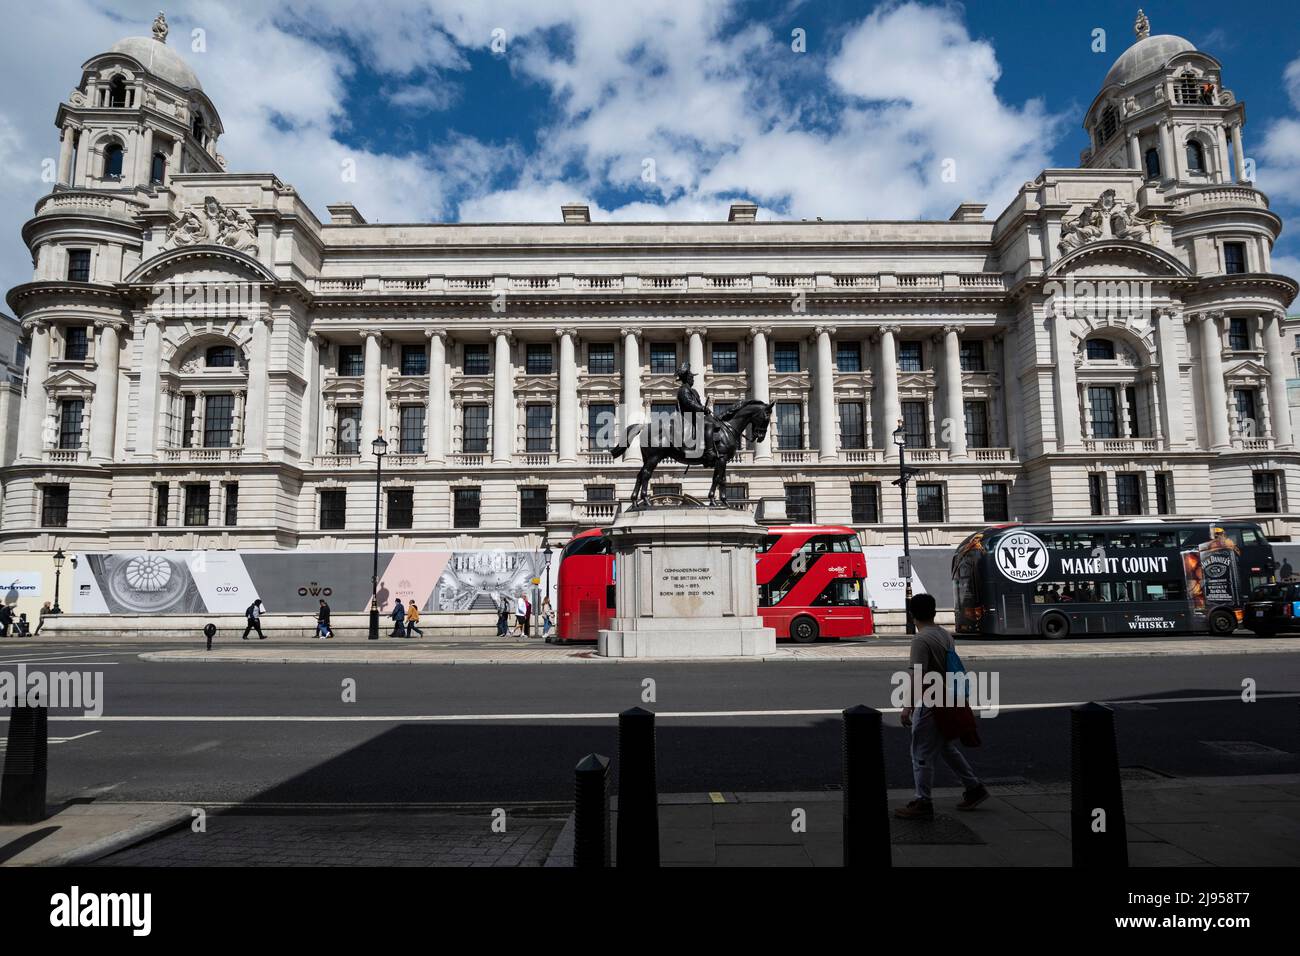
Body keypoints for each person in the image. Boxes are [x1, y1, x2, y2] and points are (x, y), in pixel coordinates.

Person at [895, 592, 989, 820]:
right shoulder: (945, 635)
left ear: (912, 615)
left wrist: (907, 706)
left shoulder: (920, 640)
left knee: (921, 751)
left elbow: (918, 674)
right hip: (950, 696)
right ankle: (974, 788)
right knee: (945, 747)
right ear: (934, 612)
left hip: (932, 701)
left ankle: (922, 801)